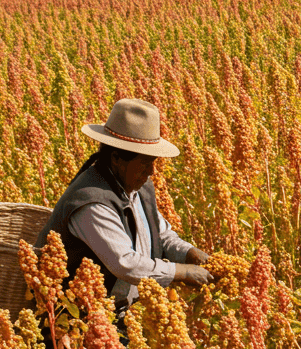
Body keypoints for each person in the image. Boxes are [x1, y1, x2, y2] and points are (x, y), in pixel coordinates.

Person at [38, 98, 213, 315]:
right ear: (117, 158)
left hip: (119, 313)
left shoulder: (136, 186)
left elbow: (161, 234)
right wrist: (182, 272)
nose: (151, 172)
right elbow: (125, 263)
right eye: (145, 163)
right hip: (78, 318)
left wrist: (188, 252)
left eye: (153, 162)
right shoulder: (91, 201)